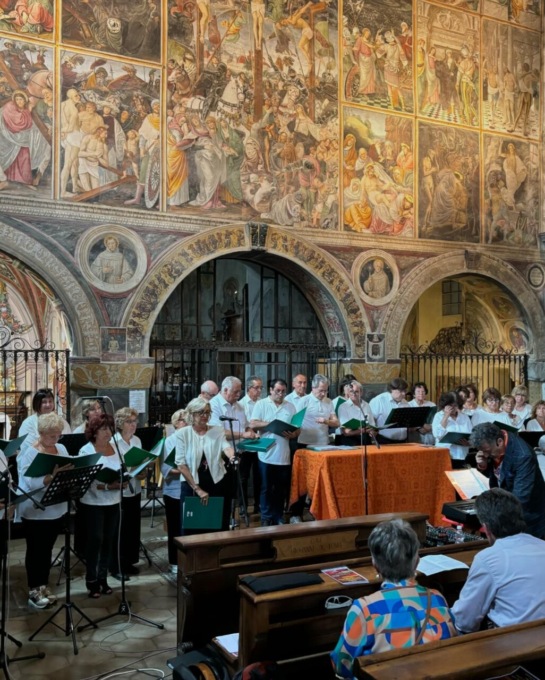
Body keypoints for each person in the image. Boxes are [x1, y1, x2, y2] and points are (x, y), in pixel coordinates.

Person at [331, 519, 456, 678]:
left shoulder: (364, 609)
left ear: (375, 564)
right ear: (416, 561)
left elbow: (341, 665)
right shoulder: (437, 598)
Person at [451, 489, 545, 632]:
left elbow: (465, 621)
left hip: (515, 640)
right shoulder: (542, 544)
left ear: (486, 527)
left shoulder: (487, 559)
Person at [17, 413, 74, 609]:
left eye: (58, 435)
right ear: (41, 433)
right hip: (35, 509)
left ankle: (43, 585)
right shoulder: (30, 453)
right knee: (36, 551)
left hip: (55, 507)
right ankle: (34, 590)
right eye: (52, 436)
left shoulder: (61, 448)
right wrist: (52, 476)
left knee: (47, 549)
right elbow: (29, 483)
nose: (56, 439)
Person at [470, 422, 545, 538]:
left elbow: (521, 496)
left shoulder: (523, 455)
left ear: (499, 442)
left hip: (529, 516)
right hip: (508, 508)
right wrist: (483, 465)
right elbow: (498, 474)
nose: (485, 455)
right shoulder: (495, 443)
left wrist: (495, 515)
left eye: (487, 451)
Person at [78, 413, 124, 598]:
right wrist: (106, 486)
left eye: (110, 428)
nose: (108, 432)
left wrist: (123, 480)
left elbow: (122, 470)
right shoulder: (86, 451)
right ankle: (92, 580)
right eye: (104, 429)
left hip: (114, 501)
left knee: (108, 540)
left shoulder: (116, 448)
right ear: (94, 431)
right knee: (95, 539)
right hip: (93, 502)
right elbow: (84, 480)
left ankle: (103, 578)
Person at [175, 397, 235, 533]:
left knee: (216, 525)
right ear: (191, 414)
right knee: (192, 527)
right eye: (200, 412)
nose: (205, 415)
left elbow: (226, 447)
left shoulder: (217, 430)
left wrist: (232, 456)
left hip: (216, 482)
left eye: (207, 412)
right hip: (191, 485)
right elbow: (181, 465)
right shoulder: (183, 434)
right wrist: (198, 490)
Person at [250, 379, 300, 527]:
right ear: (271, 390)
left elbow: (297, 428)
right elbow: (253, 424)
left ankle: (278, 515)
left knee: (280, 489)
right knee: (266, 487)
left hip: (283, 455)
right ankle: (266, 516)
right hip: (266, 454)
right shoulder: (261, 404)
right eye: (277, 391)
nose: (280, 394)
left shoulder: (290, 406)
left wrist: (294, 434)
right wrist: (271, 424)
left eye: (283, 391)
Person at [110, 407, 143, 579]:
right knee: (120, 530)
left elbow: (140, 462)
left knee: (132, 528)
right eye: (129, 422)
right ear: (120, 424)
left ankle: (129, 561)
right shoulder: (114, 442)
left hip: (135, 488)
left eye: (135, 421)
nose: (133, 425)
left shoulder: (137, 440)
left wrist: (143, 470)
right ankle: (116, 565)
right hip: (121, 491)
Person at [161, 409, 186, 574]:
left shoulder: (192, 438)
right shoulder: (170, 441)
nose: (187, 422)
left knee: (187, 527)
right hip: (174, 490)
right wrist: (187, 469)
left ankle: (187, 560)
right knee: (175, 528)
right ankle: (174, 562)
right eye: (183, 420)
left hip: (189, 487)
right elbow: (168, 468)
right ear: (176, 423)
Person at [238, 376, 263, 515]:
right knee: (243, 477)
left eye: (261, 388)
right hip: (246, 444)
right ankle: (243, 506)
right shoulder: (241, 404)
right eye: (256, 387)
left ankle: (258, 504)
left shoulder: (262, 402)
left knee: (259, 476)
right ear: (249, 388)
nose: (259, 390)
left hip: (260, 443)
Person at [19, 388, 71, 453]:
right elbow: (29, 447)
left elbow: (69, 441)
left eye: (50, 401)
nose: (48, 405)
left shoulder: (61, 421)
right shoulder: (28, 423)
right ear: (37, 404)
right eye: (44, 402)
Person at [431, 392, 471, 466]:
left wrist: (469, 443)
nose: (453, 408)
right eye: (450, 405)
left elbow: (470, 435)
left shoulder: (465, 417)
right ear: (444, 405)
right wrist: (446, 416)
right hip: (445, 455)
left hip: (462, 455)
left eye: (455, 405)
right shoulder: (438, 416)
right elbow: (437, 434)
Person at [369, 377, 410, 442]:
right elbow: (370, 420)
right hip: (384, 440)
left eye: (405, 391)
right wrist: (373, 430)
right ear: (392, 389)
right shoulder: (379, 400)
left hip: (403, 441)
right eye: (401, 391)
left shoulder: (405, 403)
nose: (404, 394)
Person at [337, 381, 375, 445]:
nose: (354, 394)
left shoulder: (366, 405)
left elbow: (372, 425)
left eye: (356, 391)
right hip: (350, 441)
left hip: (365, 440)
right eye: (351, 391)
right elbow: (346, 432)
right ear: (348, 393)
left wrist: (372, 431)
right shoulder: (343, 407)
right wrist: (363, 430)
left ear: (361, 392)